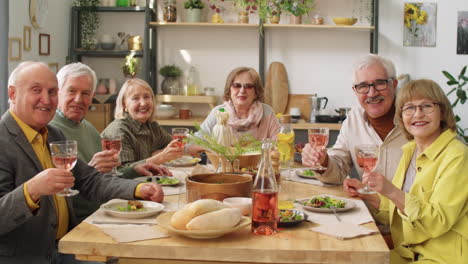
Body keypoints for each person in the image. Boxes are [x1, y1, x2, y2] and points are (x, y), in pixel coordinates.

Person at [0, 61, 164, 264]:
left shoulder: (53, 133)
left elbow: (89, 180)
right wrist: (31, 190)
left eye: (52, 92)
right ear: (13, 94)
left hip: (66, 245)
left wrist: (138, 188)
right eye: (36, 90)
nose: (47, 99)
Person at [345, 79, 468, 263]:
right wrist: (365, 194)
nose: (417, 114)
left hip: (441, 258)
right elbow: (395, 214)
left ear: (442, 112)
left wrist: (391, 191)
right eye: (409, 108)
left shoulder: (457, 155)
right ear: (401, 116)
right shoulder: (410, 151)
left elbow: (436, 221)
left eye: (426, 106)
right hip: (407, 254)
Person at [50, 62, 172, 222]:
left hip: (106, 208)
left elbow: (105, 177)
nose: (78, 99)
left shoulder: (88, 127)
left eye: (86, 93)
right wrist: (90, 173)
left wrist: (134, 169)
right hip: (84, 219)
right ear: (59, 92)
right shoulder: (50, 130)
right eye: (72, 91)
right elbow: (61, 195)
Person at [302, 54, 408, 184]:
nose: (372, 93)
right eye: (363, 86)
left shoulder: (415, 118)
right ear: (355, 90)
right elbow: (339, 170)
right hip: (367, 203)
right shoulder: (354, 119)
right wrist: (323, 161)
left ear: (394, 84)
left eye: (380, 83)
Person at [187, 67, 280, 155]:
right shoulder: (220, 112)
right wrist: (213, 148)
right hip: (223, 168)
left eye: (248, 86)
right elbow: (193, 144)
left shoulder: (266, 112)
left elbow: (280, 144)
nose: (242, 90)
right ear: (229, 90)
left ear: (256, 93)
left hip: (257, 168)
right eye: (236, 86)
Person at [101, 78, 183, 168]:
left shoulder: (152, 126)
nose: (143, 103)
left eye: (147, 97)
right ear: (124, 104)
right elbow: (123, 171)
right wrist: (160, 157)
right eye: (135, 98)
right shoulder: (119, 132)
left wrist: (190, 148)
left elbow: (171, 145)